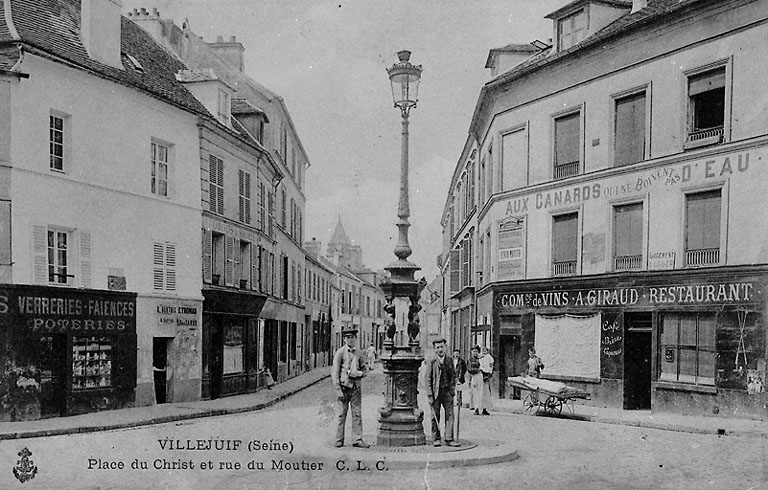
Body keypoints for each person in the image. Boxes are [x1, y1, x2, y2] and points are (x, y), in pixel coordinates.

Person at [331, 329, 369, 448]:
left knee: (357, 414)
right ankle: (338, 439)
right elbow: (335, 372)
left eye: (352, 337)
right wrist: (338, 390)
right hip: (344, 387)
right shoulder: (340, 353)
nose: (350, 339)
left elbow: (365, 370)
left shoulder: (359, 353)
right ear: (344, 339)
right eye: (347, 337)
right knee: (341, 414)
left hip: (356, 388)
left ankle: (357, 440)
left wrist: (359, 373)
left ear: (355, 338)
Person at [424, 338, 459, 447]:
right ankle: (436, 438)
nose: (440, 349)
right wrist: (430, 395)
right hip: (436, 393)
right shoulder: (431, 361)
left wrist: (453, 389)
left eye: (442, 347)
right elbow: (427, 379)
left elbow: (453, 375)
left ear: (445, 347)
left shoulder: (449, 359)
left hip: (447, 392)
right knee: (435, 416)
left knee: (450, 415)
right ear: (434, 349)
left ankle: (449, 438)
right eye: (437, 347)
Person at [467, 345, 486, 415]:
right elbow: (469, 369)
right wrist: (477, 370)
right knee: (475, 392)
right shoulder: (470, 360)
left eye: (476, 351)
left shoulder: (480, 359)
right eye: (474, 351)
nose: (475, 353)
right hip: (474, 376)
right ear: (471, 352)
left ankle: (481, 408)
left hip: (480, 376)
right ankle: (476, 408)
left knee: (481, 392)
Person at [479, 347, 494, 415]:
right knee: (479, 393)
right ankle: (477, 408)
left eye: (486, 350)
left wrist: (489, 373)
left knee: (486, 393)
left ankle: (484, 408)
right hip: (480, 375)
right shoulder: (480, 357)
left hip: (486, 375)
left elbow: (491, 366)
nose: (484, 352)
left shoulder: (490, 358)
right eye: (483, 350)